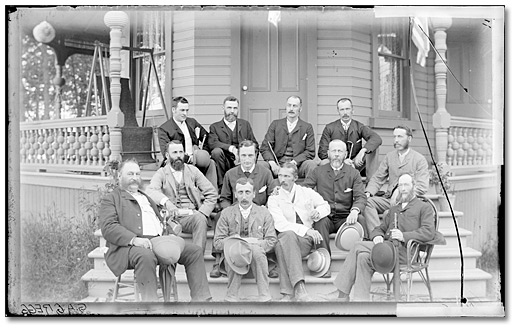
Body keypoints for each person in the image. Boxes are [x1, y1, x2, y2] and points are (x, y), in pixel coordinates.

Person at [99, 158, 212, 302]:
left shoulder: (146, 197)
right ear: (120, 176)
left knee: (194, 251)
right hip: (128, 247)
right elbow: (108, 227)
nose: (135, 178)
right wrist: (134, 240)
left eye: (137, 174)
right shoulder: (112, 199)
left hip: (158, 241)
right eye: (130, 174)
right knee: (145, 256)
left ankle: (201, 301)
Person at [326, 173, 439, 301]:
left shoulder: (424, 208)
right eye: (400, 185)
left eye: (406, 184)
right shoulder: (394, 209)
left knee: (358, 246)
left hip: (406, 254)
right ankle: (360, 301)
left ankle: (341, 292)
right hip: (386, 252)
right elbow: (379, 229)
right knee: (363, 257)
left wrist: (404, 236)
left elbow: (429, 231)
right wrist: (377, 236)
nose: (403, 188)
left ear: (414, 186)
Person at [210, 139, 278, 278]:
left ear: (256, 155)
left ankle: (269, 263)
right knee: (220, 216)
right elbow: (224, 198)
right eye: (243, 155)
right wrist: (228, 212)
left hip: (258, 214)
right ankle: (219, 261)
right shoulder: (230, 174)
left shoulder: (265, 173)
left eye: (250, 155)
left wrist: (265, 209)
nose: (247, 159)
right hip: (236, 212)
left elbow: (273, 196)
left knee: (271, 217)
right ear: (238, 156)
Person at [302, 139, 367, 277]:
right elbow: (304, 192)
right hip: (326, 217)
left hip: (345, 218)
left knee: (361, 218)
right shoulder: (317, 171)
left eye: (340, 151)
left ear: (345, 155)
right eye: (334, 151)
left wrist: (355, 210)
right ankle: (324, 264)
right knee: (320, 221)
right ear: (328, 153)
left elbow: (361, 197)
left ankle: (361, 263)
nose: (337, 154)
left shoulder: (353, 173)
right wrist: (312, 209)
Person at [267, 162, 331, 301]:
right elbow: (280, 224)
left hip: (304, 242)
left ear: (295, 178)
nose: (282, 180)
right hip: (289, 236)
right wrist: (306, 230)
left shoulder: (306, 192)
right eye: (280, 176)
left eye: (286, 176)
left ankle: (287, 293)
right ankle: (299, 288)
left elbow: (325, 206)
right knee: (284, 239)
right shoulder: (274, 198)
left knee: (282, 245)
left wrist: (317, 212)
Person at [146, 140, 219, 252]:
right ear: (167, 155)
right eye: (174, 152)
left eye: (181, 152)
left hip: (191, 216)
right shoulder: (162, 172)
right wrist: (167, 203)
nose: (179, 156)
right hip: (172, 217)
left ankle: (197, 258)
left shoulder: (193, 171)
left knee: (200, 219)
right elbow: (150, 191)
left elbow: (212, 193)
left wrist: (202, 212)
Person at [213, 177, 277, 302]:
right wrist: (235, 242)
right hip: (233, 263)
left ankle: (264, 295)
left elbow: (271, 241)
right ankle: (232, 295)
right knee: (238, 250)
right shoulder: (226, 213)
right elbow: (217, 243)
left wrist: (252, 243)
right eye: (240, 192)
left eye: (247, 192)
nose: (244, 196)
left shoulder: (264, 213)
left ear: (253, 194)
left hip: (258, 264)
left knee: (256, 251)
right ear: (235, 195)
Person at [363, 125, 429, 237]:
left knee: (387, 214)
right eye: (394, 137)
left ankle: (389, 240)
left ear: (409, 139)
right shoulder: (390, 157)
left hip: (408, 203)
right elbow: (378, 178)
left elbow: (422, 187)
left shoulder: (419, 159)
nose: (396, 140)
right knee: (368, 202)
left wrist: (400, 191)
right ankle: (377, 235)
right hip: (390, 200)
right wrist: (368, 193)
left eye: (400, 137)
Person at [158, 96, 218, 189]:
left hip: (196, 157)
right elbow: (166, 152)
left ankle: (212, 192)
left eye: (187, 110)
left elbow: (206, 137)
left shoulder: (192, 122)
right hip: (178, 160)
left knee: (211, 163)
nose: (185, 113)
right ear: (173, 110)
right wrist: (187, 158)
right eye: (182, 110)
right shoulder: (164, 129)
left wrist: (203, 153)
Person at [318, 98, 382, 173]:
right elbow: (322, 152)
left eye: (347, 109)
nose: (345, 112)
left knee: (372, 149)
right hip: (335, 163)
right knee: (324, 162)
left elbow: (376, 138)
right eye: (342, 110)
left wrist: (363, 151)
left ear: (352, 110)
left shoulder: (359, 126)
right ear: (338, 111)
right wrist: (342, 161)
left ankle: (371, 183)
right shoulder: (329, 128)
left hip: (354, 163)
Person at [259, 95, 317, 179]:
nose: (291, 108)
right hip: (278, 164)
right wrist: (272, 162)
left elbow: (310, 151)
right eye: (289, 105)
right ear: (285, 107)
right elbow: (265, 147)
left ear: (300, 109)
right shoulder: (275, 124)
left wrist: (295, 162)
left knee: (311, 164)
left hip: (298, 165)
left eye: (295, 106)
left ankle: (306, 190)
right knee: (261, 166)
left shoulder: (307, 127)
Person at [208, 96, 258, 191]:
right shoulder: (215, 127)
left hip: (242, 160)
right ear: (223, 108)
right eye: (229, 108)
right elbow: (212, 143)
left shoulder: (245, 125)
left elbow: (254, 144)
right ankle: (222, 188)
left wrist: (246, 157)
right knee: (216, 152)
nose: (232, 111)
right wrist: (231, 148)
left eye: (235, 108)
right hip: (224, 161)